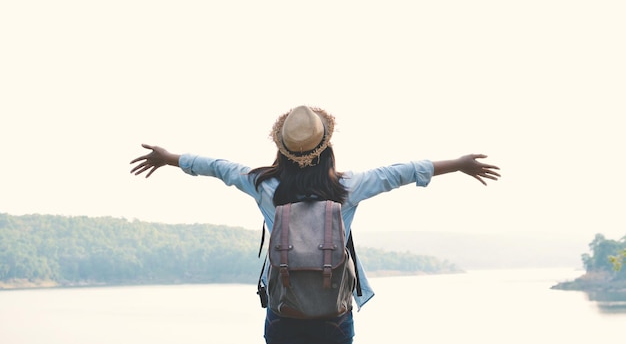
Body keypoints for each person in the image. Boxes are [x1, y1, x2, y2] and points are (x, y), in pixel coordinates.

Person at [130, 105, 500, 344]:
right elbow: (400, 172)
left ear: (281, 148)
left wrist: (170, 159)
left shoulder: (264, 185)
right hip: (333, 317)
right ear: (326, 147)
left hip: (283, 314)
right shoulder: (347, 188)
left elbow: (218, 167)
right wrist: (459, 164)